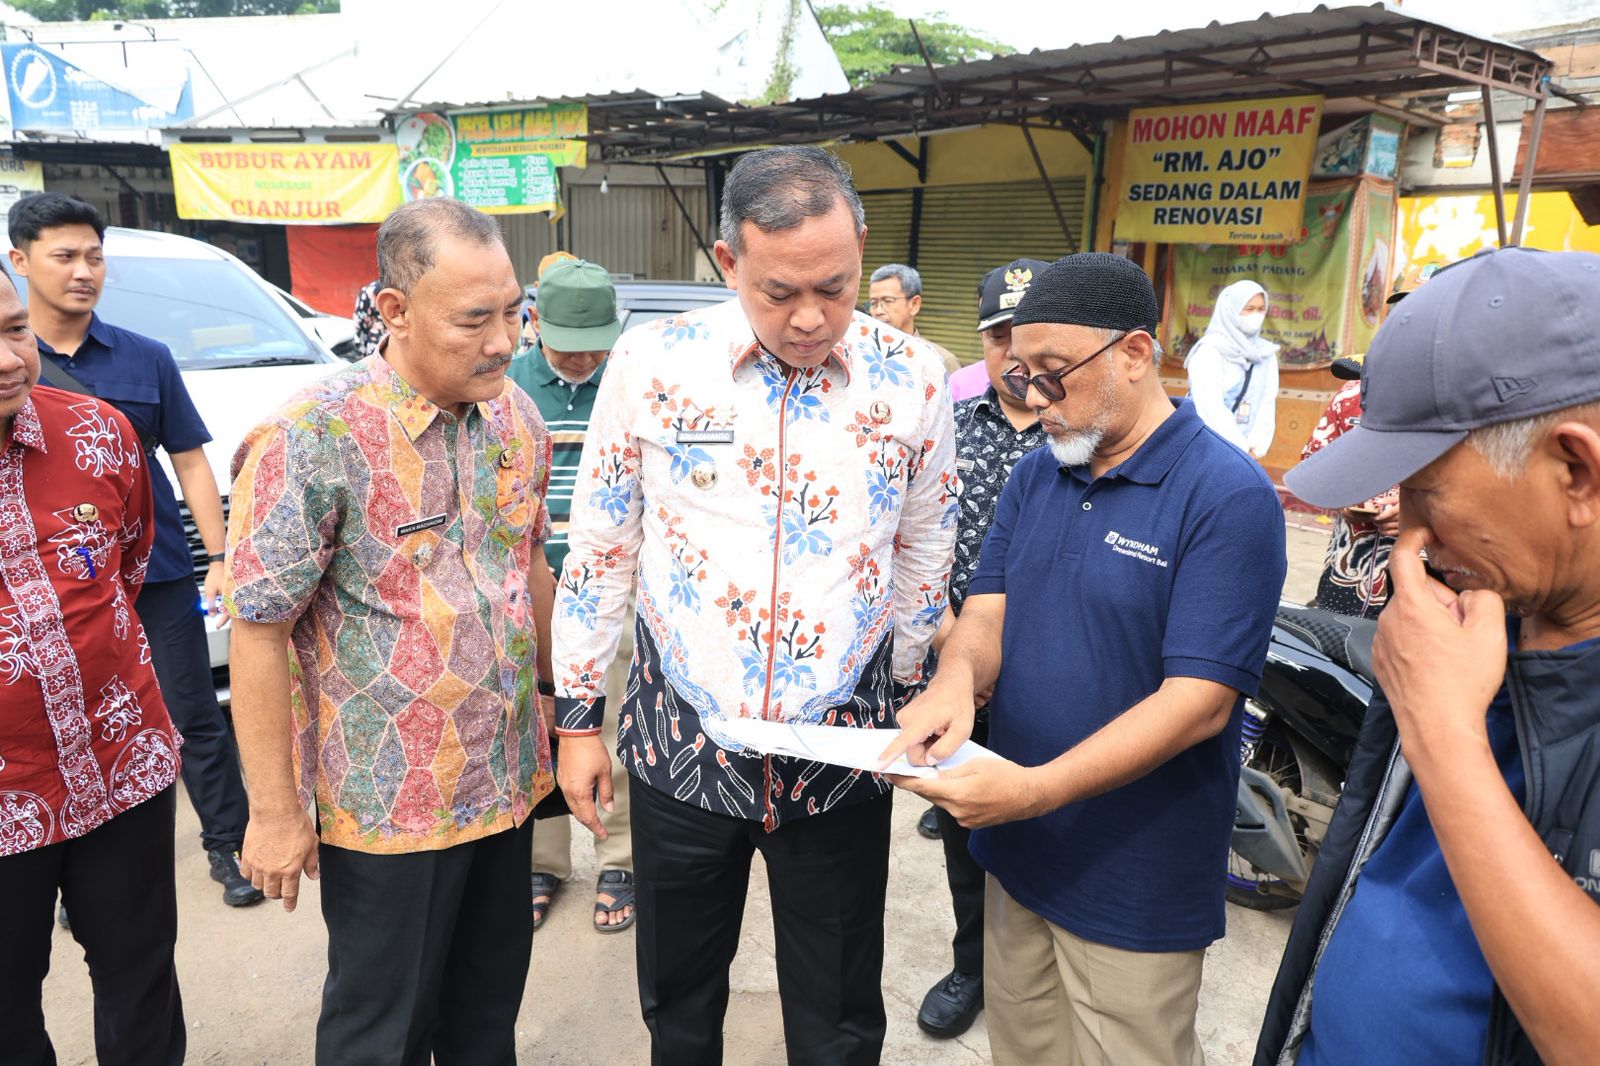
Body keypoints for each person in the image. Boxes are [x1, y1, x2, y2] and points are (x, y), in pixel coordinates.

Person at [551, 145, 957, 1065]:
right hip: (681, 744)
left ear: (861, 247)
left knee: (842, 1007)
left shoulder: (917, 376)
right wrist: (579, 720)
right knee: (681, 998)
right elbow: (603, 545)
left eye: (838, 286)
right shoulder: (653, 362)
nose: (812, 317)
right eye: (779, 292)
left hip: (843, 752)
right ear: (729, 261)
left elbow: (925, 546)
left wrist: (905, 691)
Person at [883, 252, 1286, 1066]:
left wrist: (1033, 790)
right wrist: (955, 684)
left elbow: (1200, 701)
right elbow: (986, 611)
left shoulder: (1225, 496)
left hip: (1131, 874)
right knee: (1025, 1048)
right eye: (1022, 373)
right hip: (1019, 849)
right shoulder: (1040, 473)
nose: (1034, 397)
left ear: (1135, 354)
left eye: (1055, 373)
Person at [224, 197, 556, 1066]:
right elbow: (256, 630)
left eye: (514, 311)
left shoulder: (515, 418)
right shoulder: (314, 436)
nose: (502, 341)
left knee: (486, 1015)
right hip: (387, 805)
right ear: (396, 310)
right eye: (474, 319)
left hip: (504, 777)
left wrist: (560, 702)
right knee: (383, 1030)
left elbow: (528, 569)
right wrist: (273, 812)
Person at [1259, 247, 1600, 1065]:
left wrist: (1443, 734)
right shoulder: (1479, 614)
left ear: (1578, 473)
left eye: (1425, 489)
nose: (1404, 530)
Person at [7, 191, 262, 908]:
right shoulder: (14, 366)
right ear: (21, 261)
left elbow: (188, 461)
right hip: (48, 589)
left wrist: (219, 557)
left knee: (194, 714)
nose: (83, 271)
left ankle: (229, 844)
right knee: (59, 723)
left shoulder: (145, 358)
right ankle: (61, 866)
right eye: (64, 256)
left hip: (153, 573)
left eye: (94, 255)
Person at [0, 266, 186, 1065]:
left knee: (140, 979)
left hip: (122, 766)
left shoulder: (99, 432)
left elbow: (130, 564)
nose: (10, 357)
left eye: (13, 330)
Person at [913, 255, 1051, 1041]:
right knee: (968, 831)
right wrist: (949, 644)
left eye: (1030, 337)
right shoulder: (952, 431)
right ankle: (976, 965)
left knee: (1053, 818)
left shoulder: (1084, 440)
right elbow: (915, 545)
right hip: (957, 672)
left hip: (1057, 675)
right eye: (1000, 337)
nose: (1015, 355)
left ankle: (1039, 969)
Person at [504, 258, 635, 933]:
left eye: (595, 343)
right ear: (533, 323)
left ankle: (620, 855)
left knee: (612, 722)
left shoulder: (629, 385)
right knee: (537, 728)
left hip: (613, 590)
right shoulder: (506, 387)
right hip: (527, 590)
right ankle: (544, 862)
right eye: (567, 343)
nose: (584, 357)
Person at [1184, 278, 1279, 458]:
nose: (1256, 315)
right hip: (1206, 449)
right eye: (1249, 309)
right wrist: (1240, 447)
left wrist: (1255, 447)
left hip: (1245, 456)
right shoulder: (1210, 351)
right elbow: (1208, 406)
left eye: (1261, 309)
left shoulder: (1266, 353)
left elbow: (1267, 403)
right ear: (1230, 311)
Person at [869, 262, 961, 375]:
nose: (878, 311)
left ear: (914, 304)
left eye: (888, 301)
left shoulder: (941, 361)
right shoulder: (863, 353)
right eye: (873, 303)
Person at [353, 279, 383, 358]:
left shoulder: (368, 291)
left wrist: (361, 349)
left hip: (376, 346)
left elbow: (360, 323)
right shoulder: (407, 287)